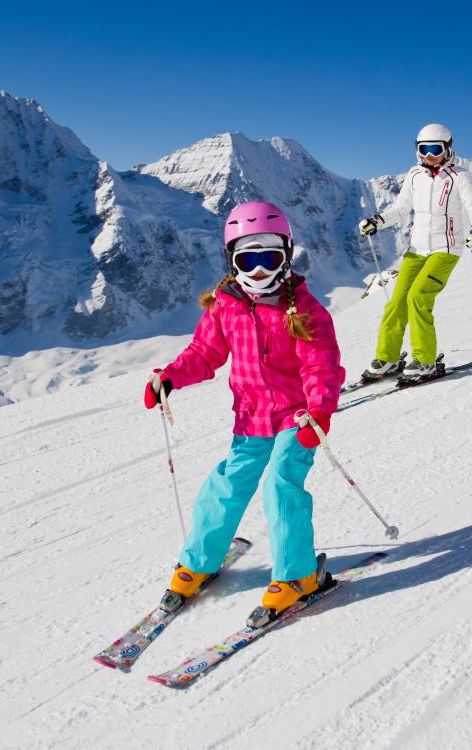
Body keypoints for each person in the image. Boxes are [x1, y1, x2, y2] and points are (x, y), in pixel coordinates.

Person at [144, 201, 345, 626]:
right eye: (246, 260)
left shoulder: (306, 310)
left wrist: (319, 411)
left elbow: (321, 365)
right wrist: (171, 377)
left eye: (268, 258)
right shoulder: (226, 306)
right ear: (231, 260)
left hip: (298, 418)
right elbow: (205, 352)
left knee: (279, 483)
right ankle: (198, 562)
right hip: (251, 418)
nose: (257, 271)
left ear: (286, 256)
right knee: (226, 484)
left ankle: (298, 577)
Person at [358, 123, 472, 380]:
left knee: (418, 297)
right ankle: (388, 358)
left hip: (446, 249)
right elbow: (400, 208)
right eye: (424, 149)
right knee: (396, 303)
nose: (430, 155)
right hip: (416, 249)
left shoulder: (458, 176)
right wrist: (378, 221)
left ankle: (424, 360)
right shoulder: (414, 175)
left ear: (448, 149)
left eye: (435, 149)